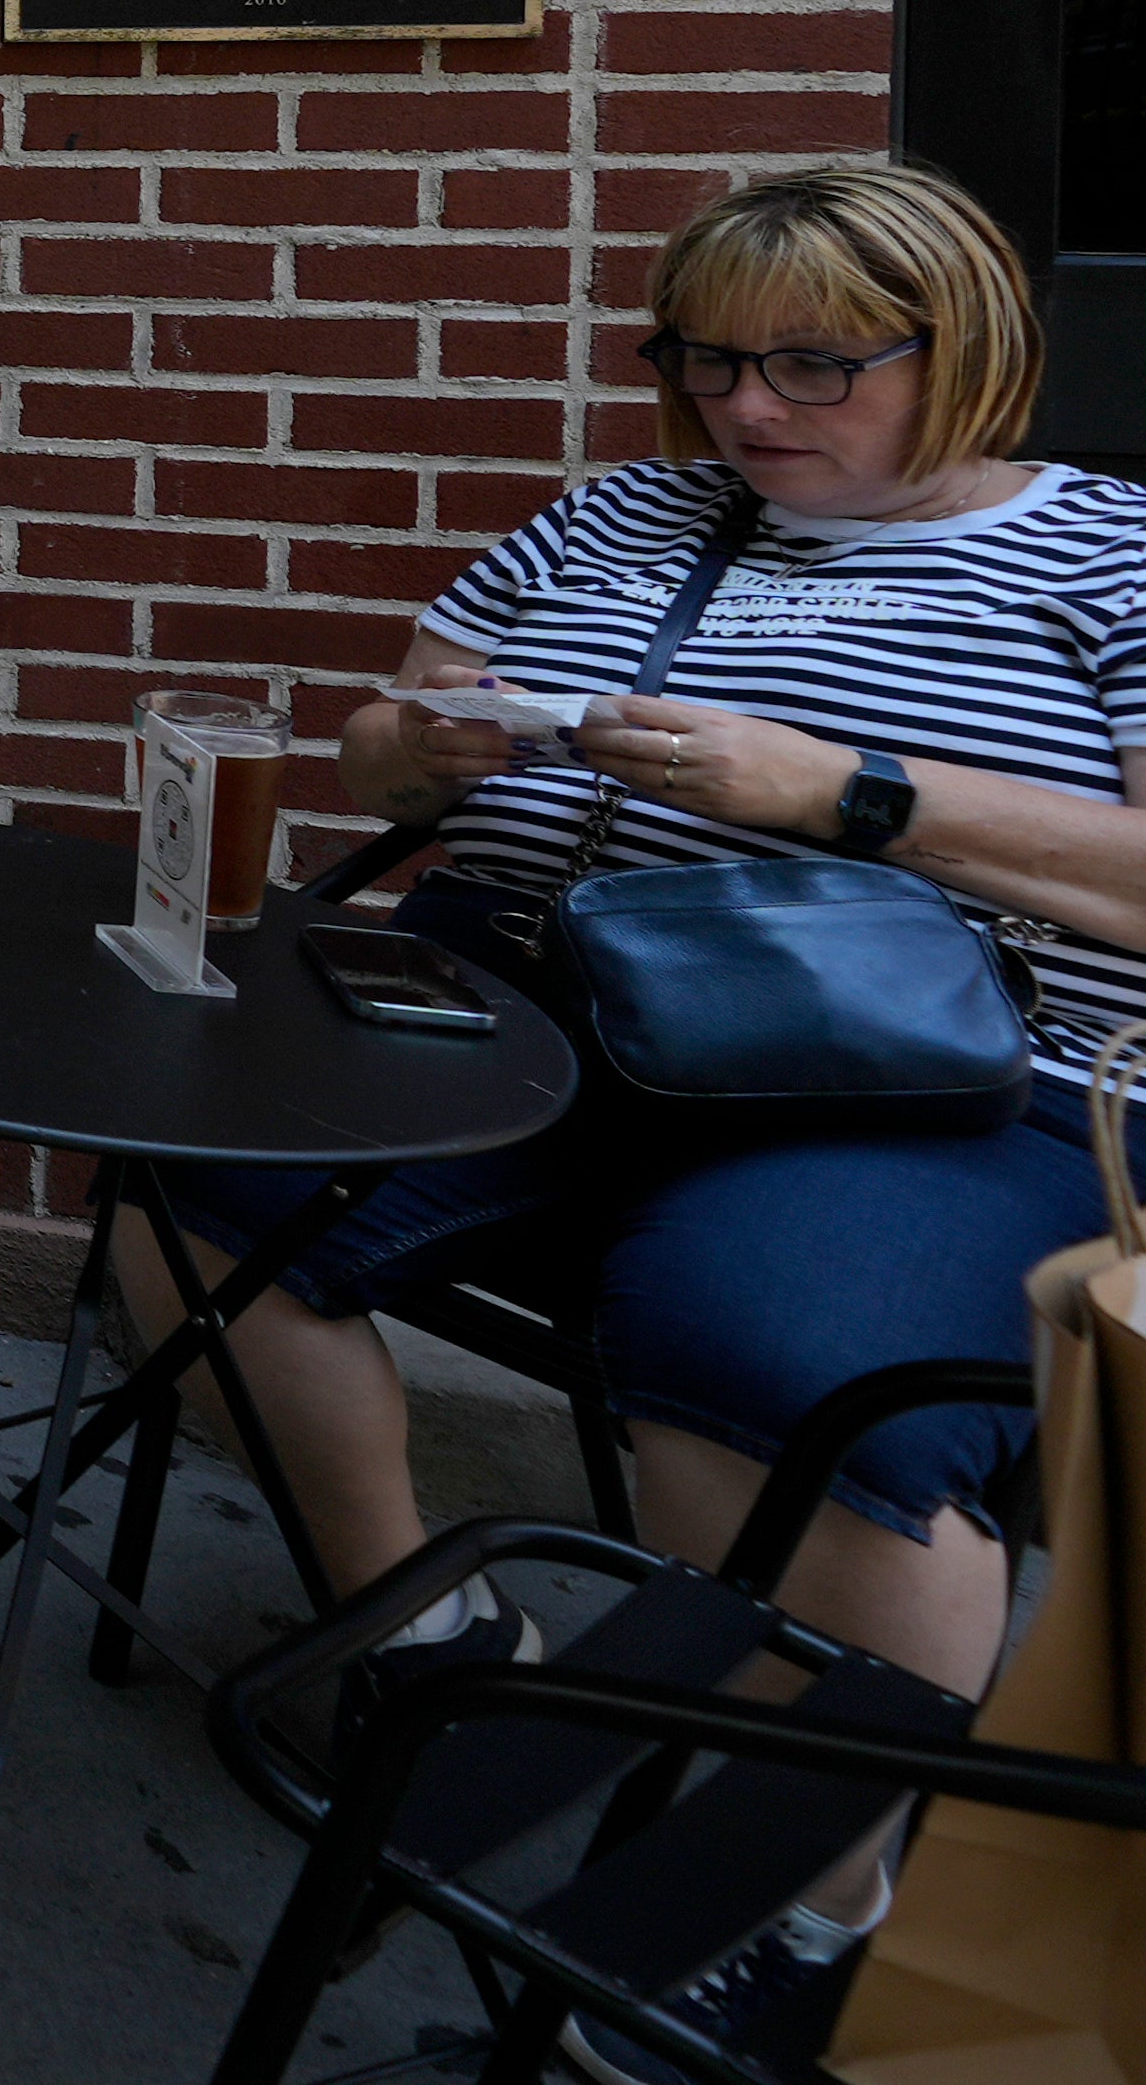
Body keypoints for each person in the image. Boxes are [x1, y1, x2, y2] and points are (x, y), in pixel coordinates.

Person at [137, 158, 1146, 2076]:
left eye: (814, 369)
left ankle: (814, 1907)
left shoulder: (1116, 559)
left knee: (760, 1344)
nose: (746, 411)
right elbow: (382, 731)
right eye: (704, 366)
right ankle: (422, 1648)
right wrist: (412, 743)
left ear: (968, 347)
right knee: (190, 1171)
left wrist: (851, 794)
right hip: (530, 1002)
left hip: (939, 1089)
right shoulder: (622, 510)